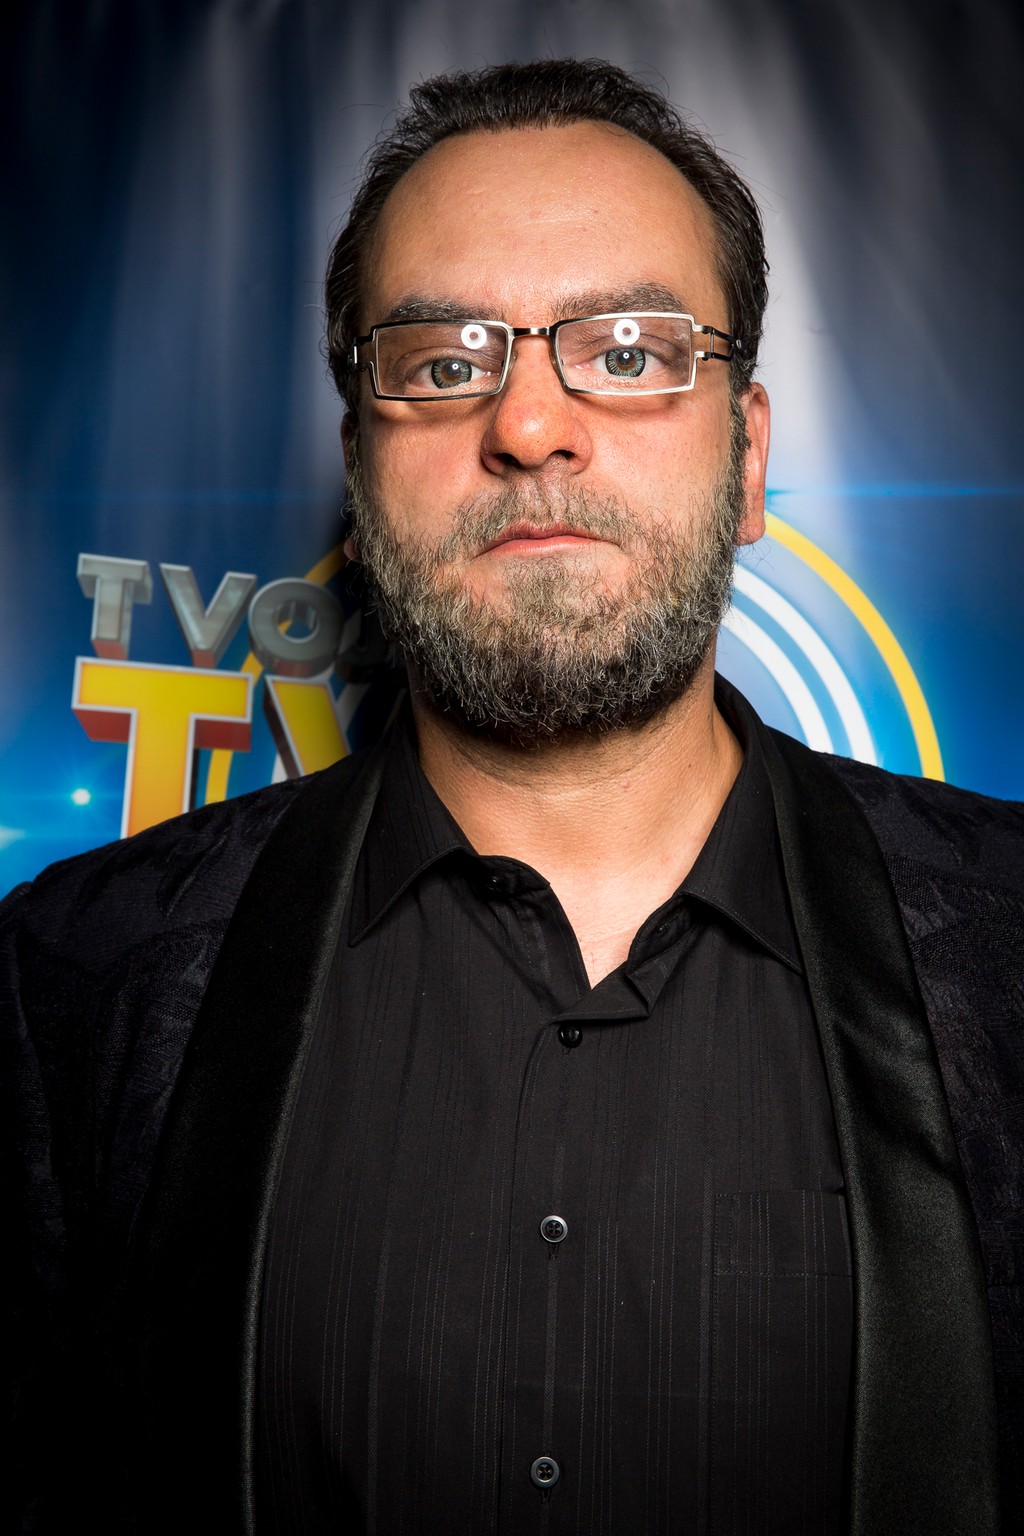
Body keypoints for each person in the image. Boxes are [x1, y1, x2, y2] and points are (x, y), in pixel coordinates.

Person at [3, 58, 1021, 1536]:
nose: (530, 425)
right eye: (441, 363)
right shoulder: (74, 981)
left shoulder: (1008, 949)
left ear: (747, 457)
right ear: (360, 474)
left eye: (630, 349)